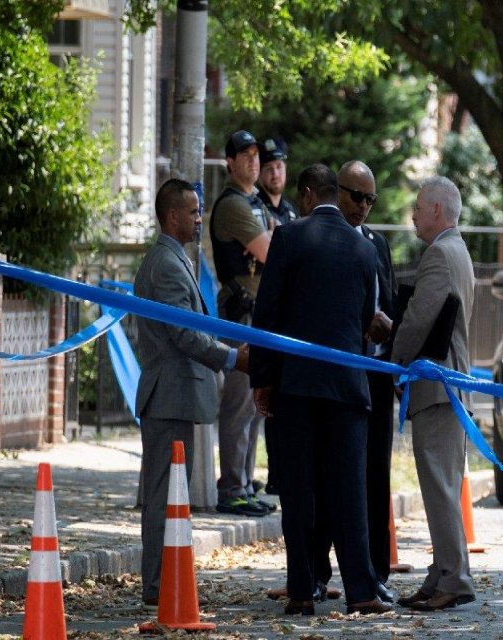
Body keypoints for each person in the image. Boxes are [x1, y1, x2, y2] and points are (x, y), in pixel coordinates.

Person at [250, 164, 391, 616]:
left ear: (308, 195)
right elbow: (366, 323)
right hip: (348, 390)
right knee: (349, 491)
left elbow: (266, 314)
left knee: (299, 492)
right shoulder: (365, 248)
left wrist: (263, 380)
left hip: (296, 387)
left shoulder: (288, 238)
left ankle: (300, 591)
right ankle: (362, 593)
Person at [134, 179, 249, 608]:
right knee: (165, 497)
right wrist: (233, 359)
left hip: (178, 397)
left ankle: (168, 580)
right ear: (173, 216)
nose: (200, 218)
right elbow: (184, 334)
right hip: (170, 397)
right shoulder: (165, 263)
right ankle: (160, 585)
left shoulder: (174, 258)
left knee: (172, 497)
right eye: (195, 211)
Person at [391, 176, 476, 612]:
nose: (414, 215)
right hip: (449, 388)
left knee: (440, 488)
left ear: (438, 211)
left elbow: (418, 321)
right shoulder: (457, 251)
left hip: (438, 389)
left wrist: (393, 359)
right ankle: (440, 573)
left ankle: (455, 578)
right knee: (441, 485)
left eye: (420, 207)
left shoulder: (439, 255)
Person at [337, 160, 398, 604]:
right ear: (337, 193)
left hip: (377, 372)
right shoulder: (325, 241)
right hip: (340, 374)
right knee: (337, 476)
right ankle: (322, 572)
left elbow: (390, 299)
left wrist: (388, 332)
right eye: (356, 196)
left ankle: (377, 571)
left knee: (376, 473)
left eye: (370, 199)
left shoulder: (378, 244)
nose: (362, 206)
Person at [209, 129, 273, 517]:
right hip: (240, 316)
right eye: (244, 155)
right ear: (230, 162)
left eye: (256, 154)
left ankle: (246, 484)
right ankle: (231, 486)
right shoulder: (233, 204)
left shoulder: (255, 202)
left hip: (257, 315)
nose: (253, 161)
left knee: (254, 404)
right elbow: (270, 250)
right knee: (238, 403)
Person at [256, 137, 298, 496]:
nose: (274, 173)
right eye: (268, 167)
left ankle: (285, 471)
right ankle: (271, 473)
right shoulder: (253, 208)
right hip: (261, 312)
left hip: (290, 314)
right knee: (266, 401)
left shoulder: (292, 214)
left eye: (279, 166)